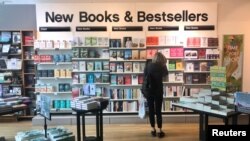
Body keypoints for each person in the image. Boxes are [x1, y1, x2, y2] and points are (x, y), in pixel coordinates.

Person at [143, 52, 168, 138]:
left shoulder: (148, 65)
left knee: (151, 110)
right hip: (158, 91)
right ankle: (160, 131)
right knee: (158, 111)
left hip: (149, 91)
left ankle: (153, 129)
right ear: (161, 60)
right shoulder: (162, 66)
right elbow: (166, 76)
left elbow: (144, 77)